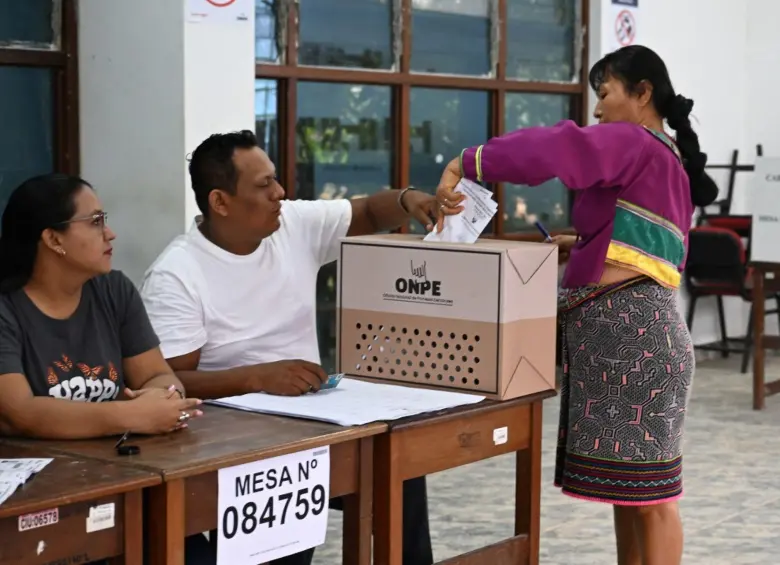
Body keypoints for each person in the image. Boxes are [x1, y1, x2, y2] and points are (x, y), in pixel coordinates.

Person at [434, 45, 718, 565]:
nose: (597, 110)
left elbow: (558, 150)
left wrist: (469, 160)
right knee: (633, 497)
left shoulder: (634, 141)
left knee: (653, 502)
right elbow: (644, 248)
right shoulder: (665, 155)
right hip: (631, 344)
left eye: (604, 93)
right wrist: (582, 245)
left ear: (643, 93)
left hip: (634, 348)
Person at [139, 130, 438, 565]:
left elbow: (371, 212)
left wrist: (409, 199)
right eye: (263, 186)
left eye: (275, 179)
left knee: (400, 467)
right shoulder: (177, 275)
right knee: (284, 535)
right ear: (220, 202)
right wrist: (255, 378)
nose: (280, 193)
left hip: (310, 418)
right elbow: (166, 385)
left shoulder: (292, 224)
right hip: (230, 441)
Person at [0, 174, 202, 440]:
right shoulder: (7, 308)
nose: (110, 233)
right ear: (53, 239)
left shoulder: (114, 290)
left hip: (119, 462)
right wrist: (134, 416)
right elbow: (20, 412)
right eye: (95, 222)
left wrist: (165, 397)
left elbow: (156, 375)